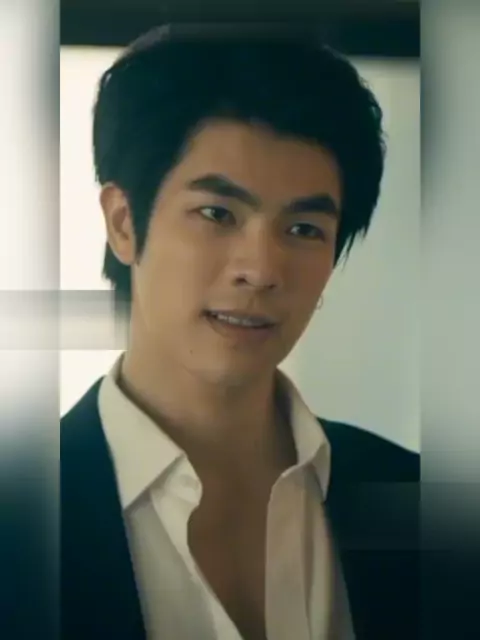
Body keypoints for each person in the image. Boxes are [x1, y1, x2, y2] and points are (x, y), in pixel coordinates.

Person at [61, 25, 420, 640]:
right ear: (123, 223)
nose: (260, 269)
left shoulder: (415, 500)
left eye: (304, 229)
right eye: (217, 213)